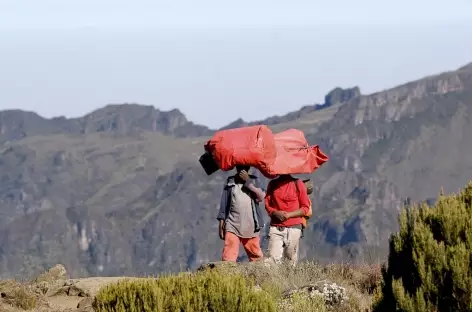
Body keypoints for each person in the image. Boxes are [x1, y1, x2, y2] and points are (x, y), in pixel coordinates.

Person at [217, 166, 266, 262]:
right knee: (228, 254)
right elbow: (224, 203)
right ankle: (227, 274)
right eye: (240, 167)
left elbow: (261, 196)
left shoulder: (254, 180)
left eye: (245, 167)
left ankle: (259, 274)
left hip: (251, 225)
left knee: (255, 255)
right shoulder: (230, 181)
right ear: (236, 167)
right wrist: (221, 222)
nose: (242, 170)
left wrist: (248, 181)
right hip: (232, 225)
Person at [264, 174, 310, 266]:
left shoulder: (298, 184)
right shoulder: (273, 184)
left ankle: (288, 280)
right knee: (272, 260)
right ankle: (273, 280)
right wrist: (275, 213)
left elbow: (305, 208)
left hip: (294, 228)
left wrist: (289, 215)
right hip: (276, 227)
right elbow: (267, 205)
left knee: (290, 261)